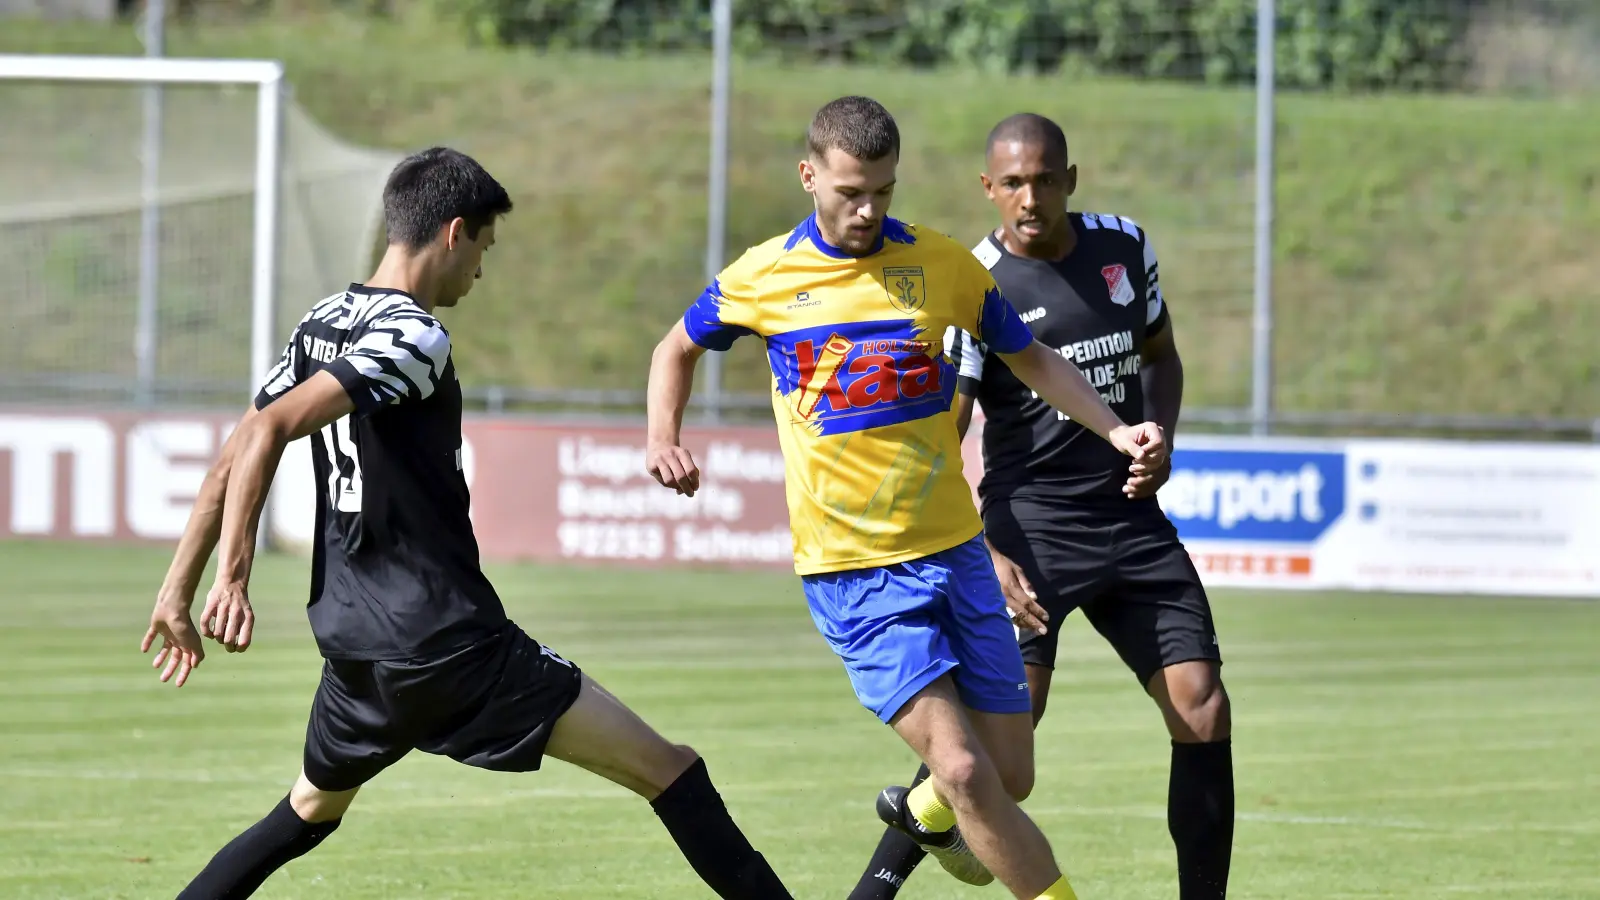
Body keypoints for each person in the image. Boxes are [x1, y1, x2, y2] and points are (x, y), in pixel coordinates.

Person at [139, 147, 794, 900]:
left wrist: (176, 589)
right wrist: (231, 577)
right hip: (443, 642)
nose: (480, 271)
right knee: (670, 770)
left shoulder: (320, 322)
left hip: (354, 649)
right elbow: (265, 432)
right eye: (484, 246)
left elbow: (234, 453)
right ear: (454, 233)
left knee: (308, 810)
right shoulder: (414, 337)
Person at [644, 97, 1168, 900]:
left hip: (955, 554)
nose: (867, 210)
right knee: (962, 768)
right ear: (809, 175)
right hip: (853, 571)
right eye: (850, 192)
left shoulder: (943, 264)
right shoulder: (766, 275)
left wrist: (1117, 430)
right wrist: (662, 437)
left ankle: (931, 817)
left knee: (1009, 775)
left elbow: (1031, 358)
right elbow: (676, 347)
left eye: (883, 191)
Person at [846, 113, 1234, 900]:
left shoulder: (1125, 247)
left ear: (1070, 180)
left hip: (1131, 520)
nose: (1031, 198)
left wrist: (1160, 439)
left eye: (1046, 180)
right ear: (988, 187)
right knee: (1001, 737)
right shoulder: (974, 279)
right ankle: (873, 890)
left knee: (1202, 708)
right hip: (1030, 531)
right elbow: (944, 436)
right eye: (1014, 183)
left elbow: (1160, 357)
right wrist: (982, 549)